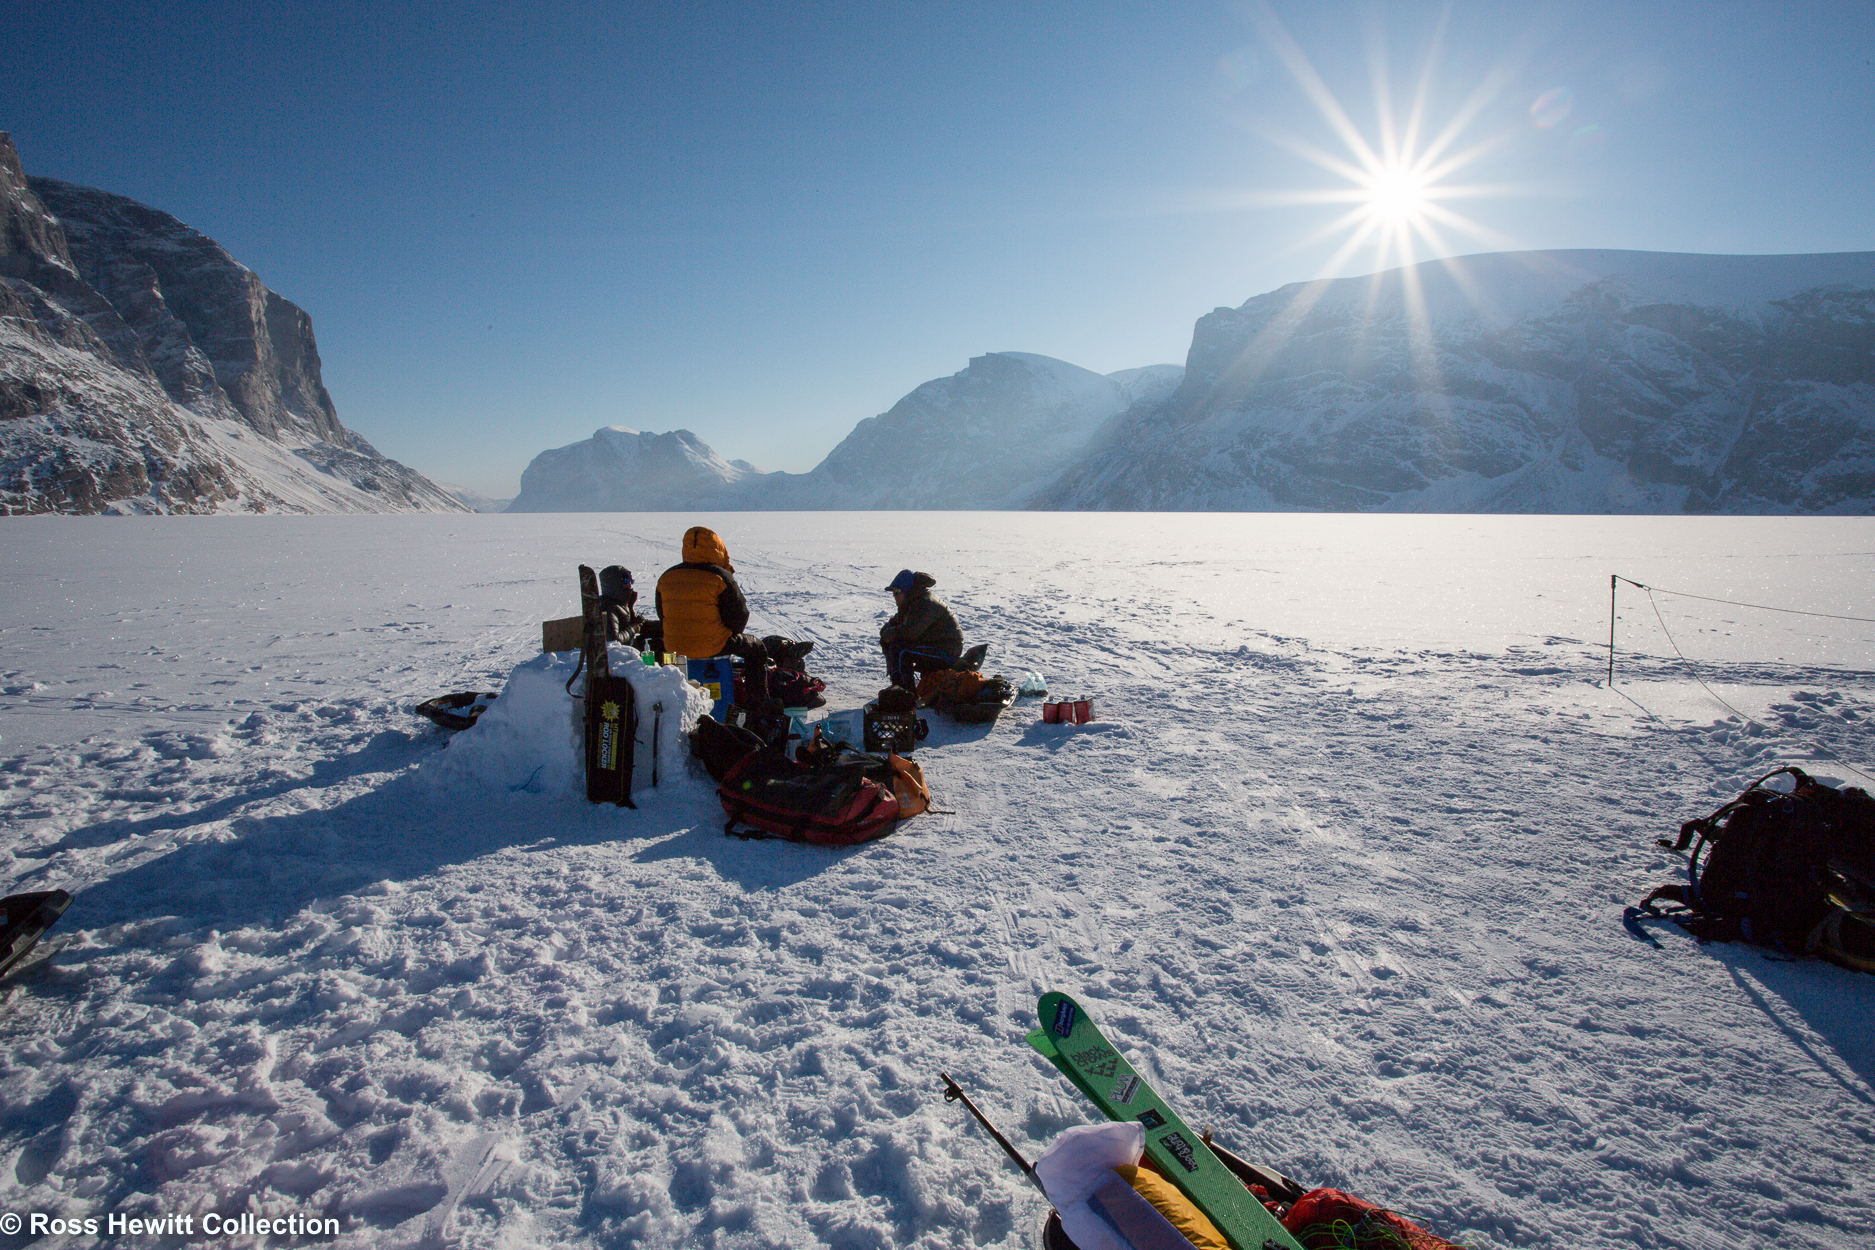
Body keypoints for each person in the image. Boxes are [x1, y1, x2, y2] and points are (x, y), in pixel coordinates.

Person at [654, 527, 767, 670]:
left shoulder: (666, 576)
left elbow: (662, 615)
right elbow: (739, 617)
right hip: (714, 646)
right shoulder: (720, 576)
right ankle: (757, 692)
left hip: (673, 648)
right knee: (756, 648)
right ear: (718, 549)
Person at [879, 569, 962, 689]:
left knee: (902, 650)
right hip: (935, 646)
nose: (895, 596)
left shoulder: (925, 603)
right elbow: (897, 624)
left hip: (947, 651)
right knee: (894, 642)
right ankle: (897, 685)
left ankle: (905, 691)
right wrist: (887, 631)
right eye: (893, 593)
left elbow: (909, 632)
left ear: (908, 590)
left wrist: (889, 632)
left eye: (897, 592)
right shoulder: (912, 602)